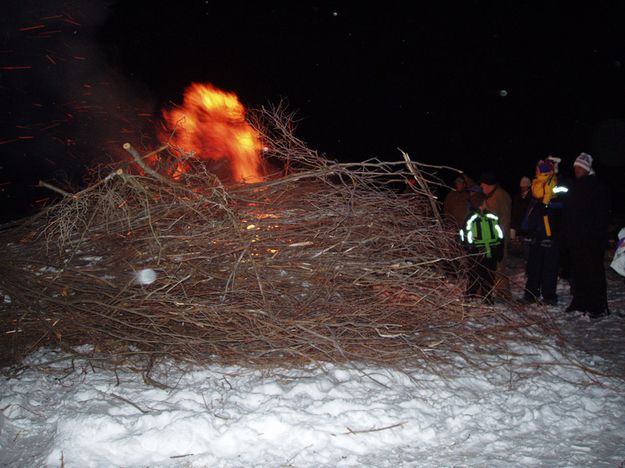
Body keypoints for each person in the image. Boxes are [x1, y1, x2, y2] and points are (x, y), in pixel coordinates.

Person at [563, 152, 611, 318]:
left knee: (594, 273)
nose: (577, 170)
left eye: (580, 167)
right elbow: (569, 213)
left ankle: (597, 306)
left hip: (592, 240)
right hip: (576, 239)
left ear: (587, 168)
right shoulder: (575, 187)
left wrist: (597, 237)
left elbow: (602, 216)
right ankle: (579, 302)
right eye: (575, 167)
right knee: (578, 272)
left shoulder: (598, 187)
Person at [522, 158, 568, 305]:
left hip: (551, 232)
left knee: (550, 266)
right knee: (533, 265)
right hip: (537, 230)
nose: (535, 171)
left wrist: (549, 206)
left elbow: (563, 203)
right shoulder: (537, 185)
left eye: (538, 168)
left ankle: (549, 296)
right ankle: (530, 294)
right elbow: (531, 208)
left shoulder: (556, 183)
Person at [459, 192, 505, 303]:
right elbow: (464, 234)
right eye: (484, 202)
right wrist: (470, 248)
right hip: (477, 252)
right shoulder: (471, 218)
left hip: (491, 252)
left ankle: (487, 297)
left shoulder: (492, 216)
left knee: (489, 276)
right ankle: (470, 296)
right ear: (480, 204)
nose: (486, 203)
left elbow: (500, 234)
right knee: (475, 275)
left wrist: (499, 248)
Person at [479, 171, 512, 299]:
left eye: (483, 185)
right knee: (492, 266)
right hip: (492, 238)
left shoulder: (500, 196)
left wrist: (501, 239)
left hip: (499, 238)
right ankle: (495, 292)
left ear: (489, 184)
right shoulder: (491, 196)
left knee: (499, 266)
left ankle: (504, 294)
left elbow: (503, 218)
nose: (481, 187)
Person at [510, 176, 532, 259]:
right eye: (522, 185)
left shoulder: (532, 197)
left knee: (527, 244)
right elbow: (515, 212)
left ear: (528, 185)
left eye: (525, 185)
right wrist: (513, 225)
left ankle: (527, 261)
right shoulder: (517, 197)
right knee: (520, 243)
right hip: (519, 224)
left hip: (527, 225)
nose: (523, 187)